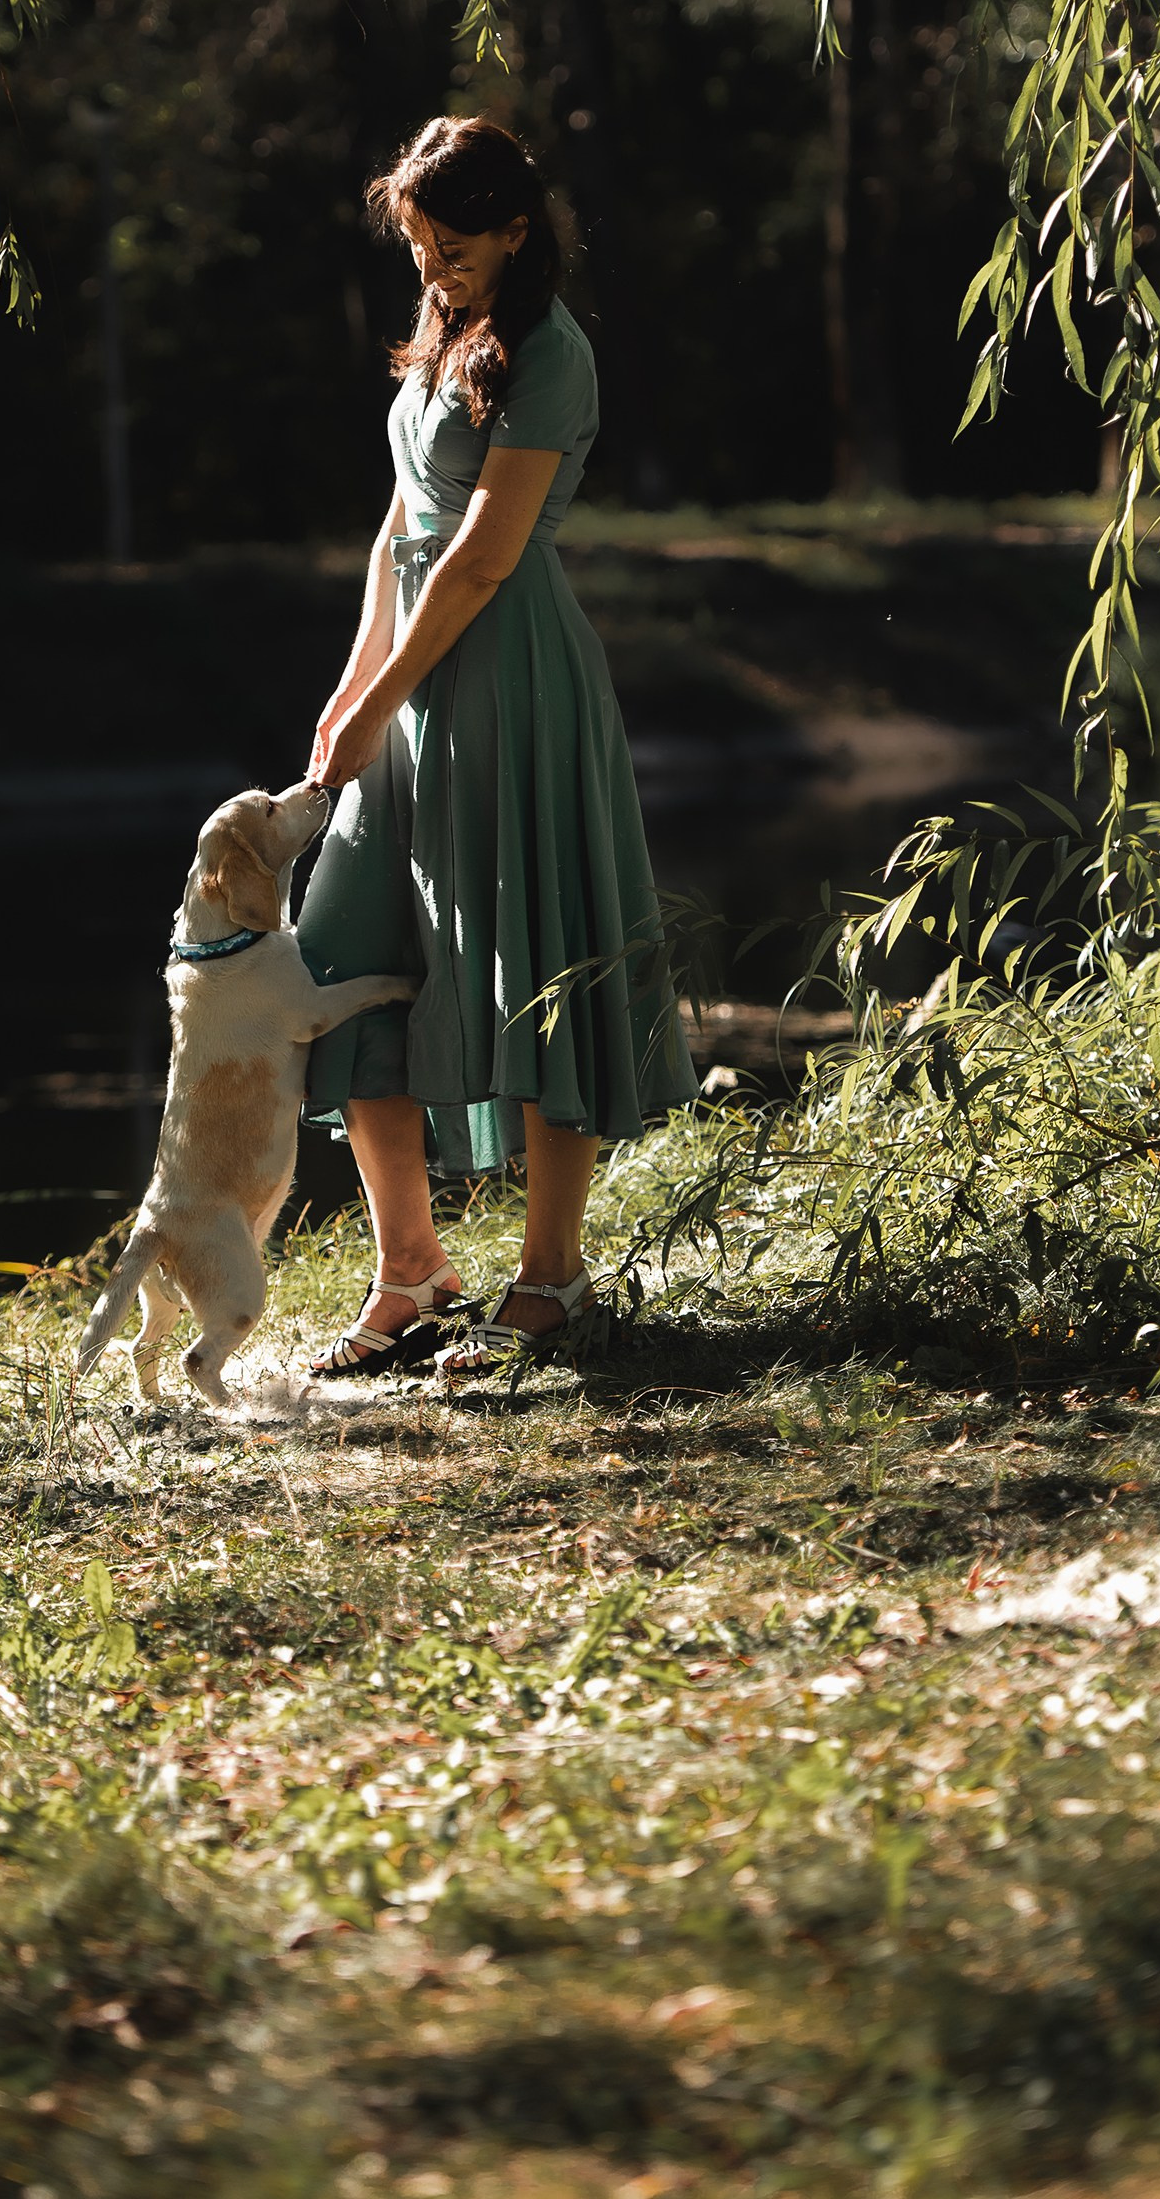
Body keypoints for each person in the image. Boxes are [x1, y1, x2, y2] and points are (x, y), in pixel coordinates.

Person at [297, 114, 694, 1378]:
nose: (434, 270)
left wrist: (383, 700)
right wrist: (349, 693)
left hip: (507, 677)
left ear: (518, 232)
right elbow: (397, 530)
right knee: (345, 957)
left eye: (455, 247)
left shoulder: (550, 353)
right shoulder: (440, 342)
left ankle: (550, 1276)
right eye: (419, 247)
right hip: (412, 673)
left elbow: (476, 560)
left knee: (533, 957)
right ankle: (409, 1268)